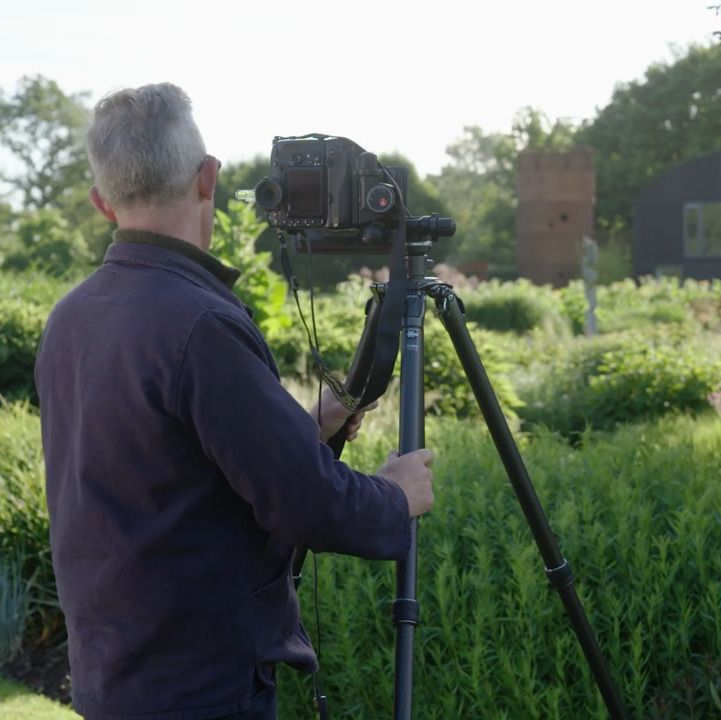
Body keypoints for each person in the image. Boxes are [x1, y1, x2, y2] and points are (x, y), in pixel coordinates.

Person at [35, 83, 435, 720]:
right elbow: (306, 501)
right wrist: (395, 495)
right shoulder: (199, 322)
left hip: (113, 676)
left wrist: (312, 423)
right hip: (201, 689)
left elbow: (170, 469)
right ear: (209, 178)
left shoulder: (72, 317)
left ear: (101, 203)